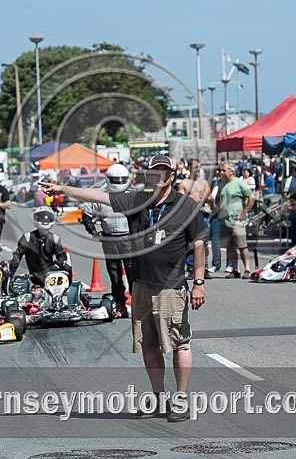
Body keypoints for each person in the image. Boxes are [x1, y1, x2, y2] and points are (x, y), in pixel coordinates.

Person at [41, 155, 207, 423]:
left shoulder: (185, 206)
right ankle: (158, 398)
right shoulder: (137, 201)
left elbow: (199, 245)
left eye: (165, 171)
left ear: (172, 176)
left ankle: (180, 400)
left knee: (178, 343)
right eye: (156, 172)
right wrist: (63, 189)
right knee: (148, 345)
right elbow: (98, 196)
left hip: (171, 286)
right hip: (140, 284)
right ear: (149, 176)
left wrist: (198, 283)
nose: (161, 176)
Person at [80, 164, 132, 318]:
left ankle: (138, 303)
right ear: (109, 180)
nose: (119, 183)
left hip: (129, 238)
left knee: (133, 271)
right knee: (114, 273)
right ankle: (120, 303)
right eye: (116, 180)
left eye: (122, 180)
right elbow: (86, 214)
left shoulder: (132, 195)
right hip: (109, 239)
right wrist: (93, 231)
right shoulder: (100, 197)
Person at [10, 207, 71, 287]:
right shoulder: (27, 237)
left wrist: (56, 266)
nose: (45, 220)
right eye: (42, 218)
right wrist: (10, 275)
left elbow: (62, 256)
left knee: (67, 268)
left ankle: (65, 293)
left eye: (47, 218)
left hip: (50, 273)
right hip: (34, 275)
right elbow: (17, 256)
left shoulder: (54, 238)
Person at [219, 162, 256, 279]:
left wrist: (243, 212)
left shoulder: (239, 183)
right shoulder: (222, 184)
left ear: (231, 172)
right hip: (225, 221)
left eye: (223, 170)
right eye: (220, 170)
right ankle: (235, 269)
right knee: (229, 247)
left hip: (237, 221)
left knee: (242, 246)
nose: (221, 173)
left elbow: (252, 197)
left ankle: (247, 269)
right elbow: (218, 199)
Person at [176, 159, 212, 278]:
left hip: (202, 213)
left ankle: (204, 267)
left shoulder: (204, 183)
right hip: (190, 214)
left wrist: (205, 198)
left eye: (199, 167)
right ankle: (191, 267)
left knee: (204, 243)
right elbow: (180, 201)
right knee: (191, 243)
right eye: (196, 167)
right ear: (190, 168)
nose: (198, 170)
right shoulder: (184, 183)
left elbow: (210, 198)